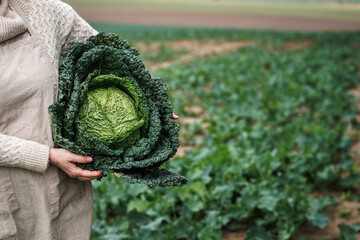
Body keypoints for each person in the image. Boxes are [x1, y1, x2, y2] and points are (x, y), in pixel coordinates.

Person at [0, 0, 104, 239]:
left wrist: (151, 108)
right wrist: (45, 155)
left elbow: (106, 55)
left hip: (59, 192)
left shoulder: (46, 11)